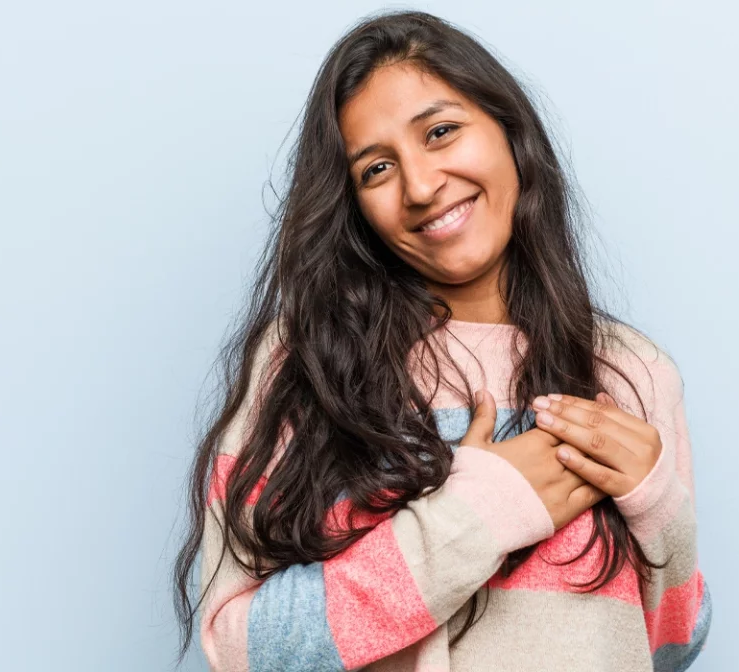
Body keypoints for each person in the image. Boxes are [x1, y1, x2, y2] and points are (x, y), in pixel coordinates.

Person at [170, 10, 710, 671]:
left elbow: (668, 649)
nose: (422, 186)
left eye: (441, 132)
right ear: (354, 205)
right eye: (376, 169)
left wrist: (659, 506)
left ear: (510, 131)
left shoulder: (629, 372)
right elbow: (239, 651)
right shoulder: (301, 363)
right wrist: (473, 519)